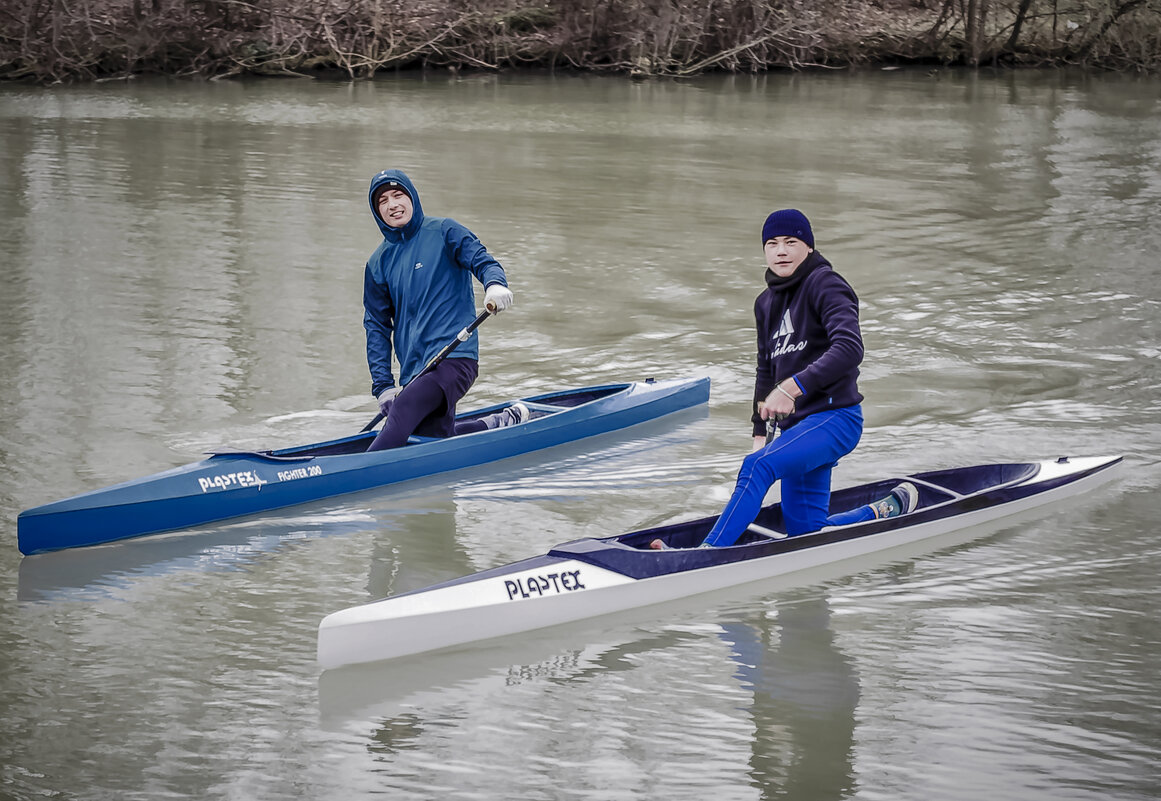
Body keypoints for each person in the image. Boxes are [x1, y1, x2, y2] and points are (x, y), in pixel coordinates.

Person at [656, 209, 916, 549]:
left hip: (836, 419)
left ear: (808, 247)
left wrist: (792, 389)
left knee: (757, 468)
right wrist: (758, 430)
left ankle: (704, 554)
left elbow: (850, 348)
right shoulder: (765, 303)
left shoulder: (826, 284)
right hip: (796, 429)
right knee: (806, 535)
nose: (781, 251)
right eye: (772, 243)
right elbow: (766, 368)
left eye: (791, 242)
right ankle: (885, 510)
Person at [362, 169, 527, 452]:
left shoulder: (444, 231)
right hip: (415, 373)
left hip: (455, 359)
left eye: (398, 195)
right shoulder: (377, 263)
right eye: (383, 201)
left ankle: (355, 479)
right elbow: (376, 327)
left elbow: (485, 263)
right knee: (428, 440)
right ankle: (501, 422)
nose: (392, 205)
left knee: (405, 410)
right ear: (378, 211)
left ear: (412, 197)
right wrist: (383, 386)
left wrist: (495, 285)